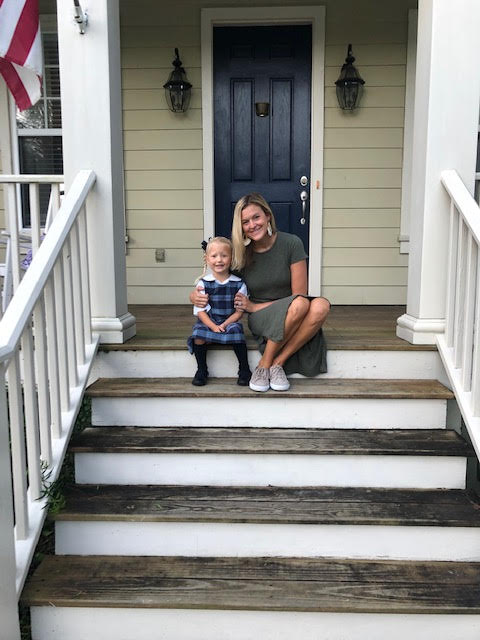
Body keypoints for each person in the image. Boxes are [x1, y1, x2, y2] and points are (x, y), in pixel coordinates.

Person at [190, 194, 330, 392]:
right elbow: (217, 277)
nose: (252, 225)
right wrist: (193, 296)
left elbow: (299, 295)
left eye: (256, 217)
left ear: (267, 216)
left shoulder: (291, 243)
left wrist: (254, 305)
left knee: (320, 305)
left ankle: (272, 364)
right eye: (245, 222)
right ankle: (266, 366)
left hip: (287, 307)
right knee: (301, 305)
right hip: (261, 317)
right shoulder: (239, 252)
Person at [187, 236, 251, 387]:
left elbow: (239, 312)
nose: (219, 260)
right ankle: (202, 370)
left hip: (230, 320)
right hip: (208, 320)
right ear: (207, 259)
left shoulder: (238, 284)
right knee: (198, 335)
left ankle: (244, 369)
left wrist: (224, 324)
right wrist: (213, 326)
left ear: (231, 258)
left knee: (237, 333)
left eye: (224, 255)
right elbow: (201, 311)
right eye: (214, 256)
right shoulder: (204, 283)